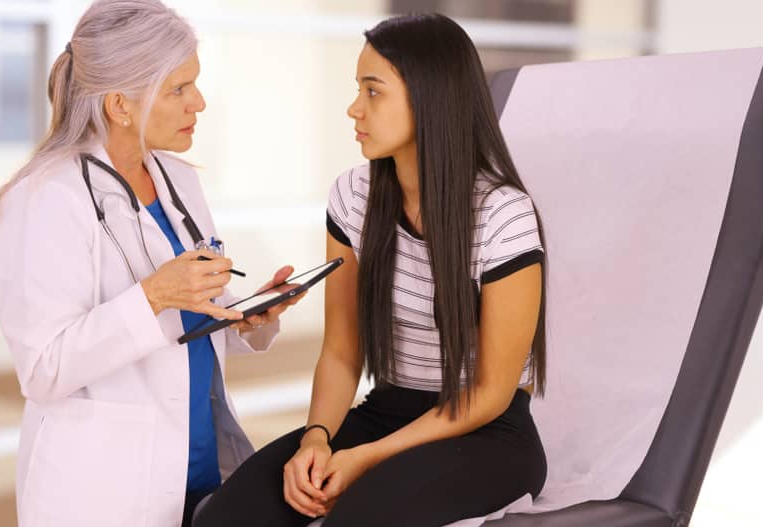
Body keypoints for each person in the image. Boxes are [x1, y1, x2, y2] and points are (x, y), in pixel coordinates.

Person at [196, 13, 548, 527]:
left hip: (487, 433)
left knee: (355, 519)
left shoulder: (503, 215)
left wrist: (368, 457)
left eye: (373, 91)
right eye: (357, 89)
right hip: (385, 411)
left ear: (430, 99)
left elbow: (493, 393)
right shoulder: (353, 195)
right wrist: (317, 437)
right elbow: (342, 350)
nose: (353, 108)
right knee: (229, 517)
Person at [0, 1, 303, 526]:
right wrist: (154, 295)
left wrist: (243, 317)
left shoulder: (179, 179)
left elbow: (183, 330)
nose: (198, 103)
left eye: (195, 84)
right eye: (178, 89)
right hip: (104, 488)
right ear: (119, 105)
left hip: (199, 470)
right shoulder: (44, 198)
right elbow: (44, 369)